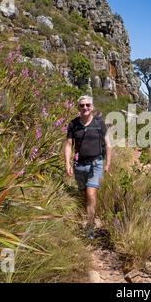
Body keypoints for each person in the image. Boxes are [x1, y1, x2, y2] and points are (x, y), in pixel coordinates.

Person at [64, 95, 111, 239]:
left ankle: (90, 228)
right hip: (79, 165)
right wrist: (67, 163)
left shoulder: (99, 123)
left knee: (91, 193)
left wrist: (107, 163)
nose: (85, 108)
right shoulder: (73, 124)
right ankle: (86, 214)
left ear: (92, 107)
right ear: (78, 107)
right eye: (82, 105)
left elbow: (108, 144)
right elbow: (68, 144)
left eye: (88, 105)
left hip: (95, 164)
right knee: (83, 194)